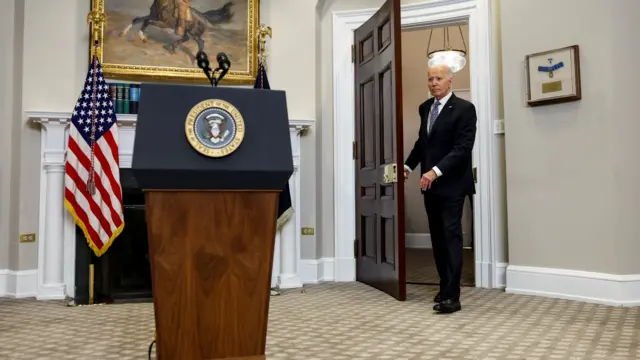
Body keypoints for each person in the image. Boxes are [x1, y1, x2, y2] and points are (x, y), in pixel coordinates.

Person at [404, 64, 477, 314]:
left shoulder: (466, 109)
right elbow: (422, 143)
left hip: (453, 185)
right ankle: (445, 285)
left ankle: (452, 297)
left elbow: (462, 148)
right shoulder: (426, 108)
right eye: (430, 78)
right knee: (437, 239)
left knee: (450, 238)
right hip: (430, 187)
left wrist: (435, 170)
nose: (433, 82)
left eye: (438, 78)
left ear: (450, 81)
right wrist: (407, 166)